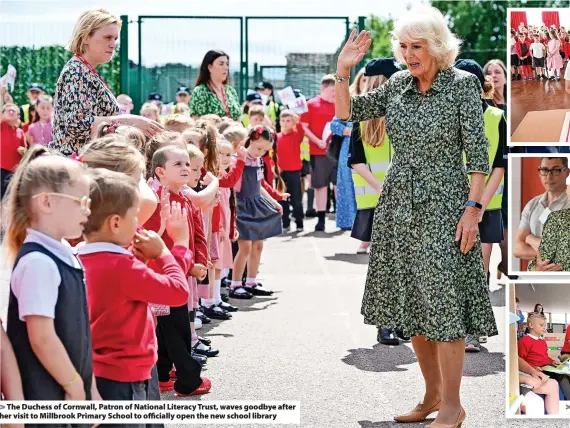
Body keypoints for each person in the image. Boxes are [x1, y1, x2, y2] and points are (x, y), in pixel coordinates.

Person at [335, 8, 498, 426]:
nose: (408, 55)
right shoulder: (397, 86)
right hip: (398, 209)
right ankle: (430, 398)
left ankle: (453, 406)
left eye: (417, 46)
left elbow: (478, 155)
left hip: (447, 206)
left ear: (437, 47)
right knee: (414, 308)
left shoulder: (462, 86)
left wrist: (472, 210)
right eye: (403, 47)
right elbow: (347, 112)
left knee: (443, 308)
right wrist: (341, 70)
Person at [77, 168, 192, 403]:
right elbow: (177, 292)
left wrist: (141, 259)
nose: (138, 222)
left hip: (96, 373)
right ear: (116, 222)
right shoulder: (122, 267)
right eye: (135, 216)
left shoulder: (77, 255)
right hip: (124, 379)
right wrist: (175, 246)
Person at [4, 146, 97, 401]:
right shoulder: (38, 262)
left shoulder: (63, 252)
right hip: (46, 397)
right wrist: (74, 384)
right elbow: (42, 337)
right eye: (82, 202)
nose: (88, 210)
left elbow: (81, 336)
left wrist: (91, 388)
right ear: (46, 202)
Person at [143, 145, 211, 397]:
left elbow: (197, 231)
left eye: (187, 164)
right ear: (160, 171)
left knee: (167, 328)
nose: (185, 168)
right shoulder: (155, 200)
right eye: (178, 164)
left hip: (183, 270)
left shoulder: (184, 196)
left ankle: (161, 374)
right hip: (165, 275)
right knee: (177, 328)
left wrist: (200, 260)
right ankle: (188, 379)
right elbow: (156, 242)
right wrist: (185, 263)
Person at [51, 9, 162, 156]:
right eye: (107, 37)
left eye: (115, 39)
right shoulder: (77, 71)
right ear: (85, 37)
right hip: (79, 167)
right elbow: (77, 124)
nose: (113, 44)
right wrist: (127, 120)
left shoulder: (84, 70)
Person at [229, 125, 281, 299]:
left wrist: (274, 202)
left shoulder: (258, 161)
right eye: (259, 148)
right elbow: (233, 185)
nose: (261, 153)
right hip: (241, 205)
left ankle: (251, 280)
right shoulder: (238, 159)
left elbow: (259, 186)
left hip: (255, 204)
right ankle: (235, 284)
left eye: (265, 150)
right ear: (249, 140)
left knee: (258, 245)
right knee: (244, 246)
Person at [514, 157, 570, 269]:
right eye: (544, 170)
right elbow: (517, 249)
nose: (549, 177)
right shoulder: (532, 204)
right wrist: (552, 256)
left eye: (555, 170)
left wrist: (530, 239)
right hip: (535, 274)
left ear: (567, 172)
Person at [301, 74, 337, 232]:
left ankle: (341, 216)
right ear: (323, 88)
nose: (335, 94)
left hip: (337, 152)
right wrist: (317, 141)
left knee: (338, 185)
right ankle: (321, 219)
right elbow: (304, 126)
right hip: (318, 152)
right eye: (332, 90)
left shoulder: (340, 104)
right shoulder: (311, 104)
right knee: (320, 186)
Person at [518, 312, 570, 399]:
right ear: (531, 325)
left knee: (563, 377)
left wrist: (553, 362)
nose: (544, 327)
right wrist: (533, 367)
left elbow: (545, 357)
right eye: (541, 325)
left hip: (547, 368)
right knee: (557, 382)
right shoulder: (524, 341)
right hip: (536, 371)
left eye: (545, 325)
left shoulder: (542, 341)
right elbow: (520, 360)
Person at [189, 50, 241, 120]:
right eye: (221, 64)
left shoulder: (231, 91)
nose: (226, 67)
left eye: (227, 64)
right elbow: (197, 121)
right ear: (210, 67)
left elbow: (238, 119)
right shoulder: (200, 91)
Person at [276, 109, 305, 232]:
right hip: (281, 173)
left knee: (297, 199)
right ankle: (285, 223)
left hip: (294, 172)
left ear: (293, 122)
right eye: (283, 121)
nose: (285, 123)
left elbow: (302, 130)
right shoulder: (276, 137)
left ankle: (299, 223)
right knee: (282, 199)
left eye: (288, 121)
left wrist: (297, 120)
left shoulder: (296, 134)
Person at [0, 103, 26, 200]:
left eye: (13, 111)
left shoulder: (20, 132)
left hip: (15, 171)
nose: (11, 112)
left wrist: (22, 151)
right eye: (8, 110)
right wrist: (2, 95)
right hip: (2, 169)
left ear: (18, 116)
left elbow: (24, 151)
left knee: (12, 198)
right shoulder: (2, 126)